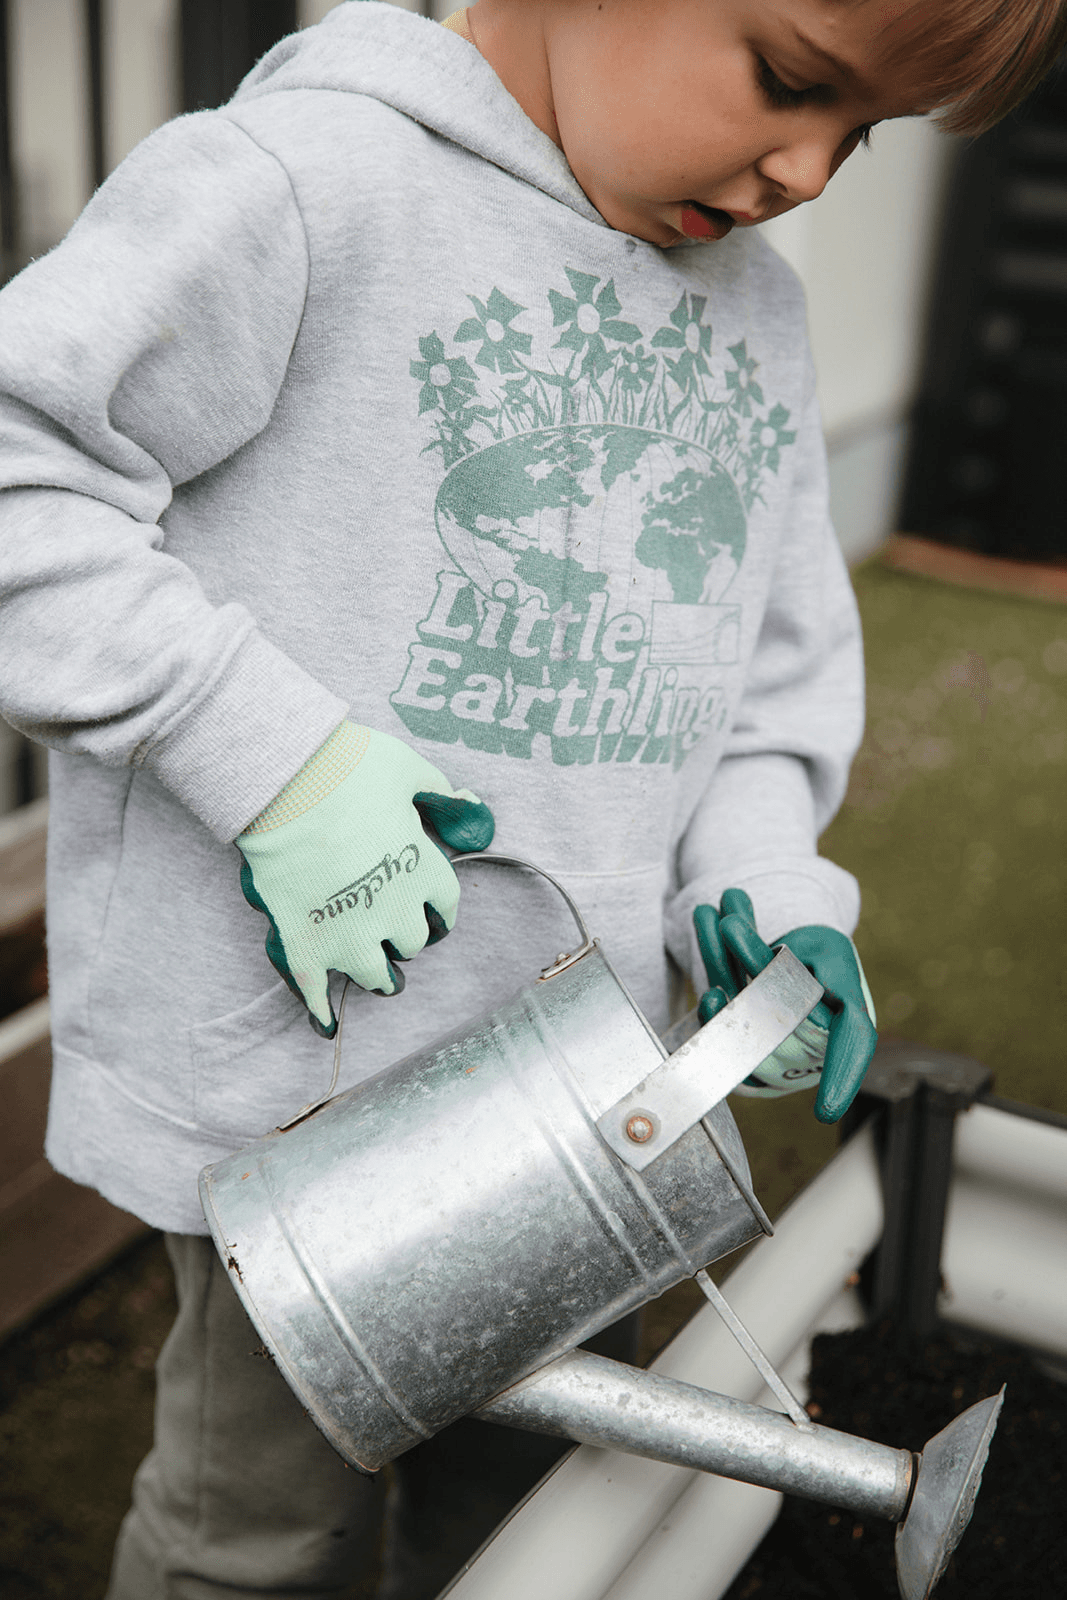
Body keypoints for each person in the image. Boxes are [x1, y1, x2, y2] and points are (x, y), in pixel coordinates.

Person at [1, 1, 1063, 1595]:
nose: (807, 171)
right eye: (789, 81)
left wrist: (765, 879)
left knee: (534, 1524)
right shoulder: (303, 184)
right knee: (260, 1540)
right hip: (298, 1120)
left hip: (590, 1111)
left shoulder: (755, 316)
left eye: (863, 134)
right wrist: (264, 752)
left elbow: (763, 687)